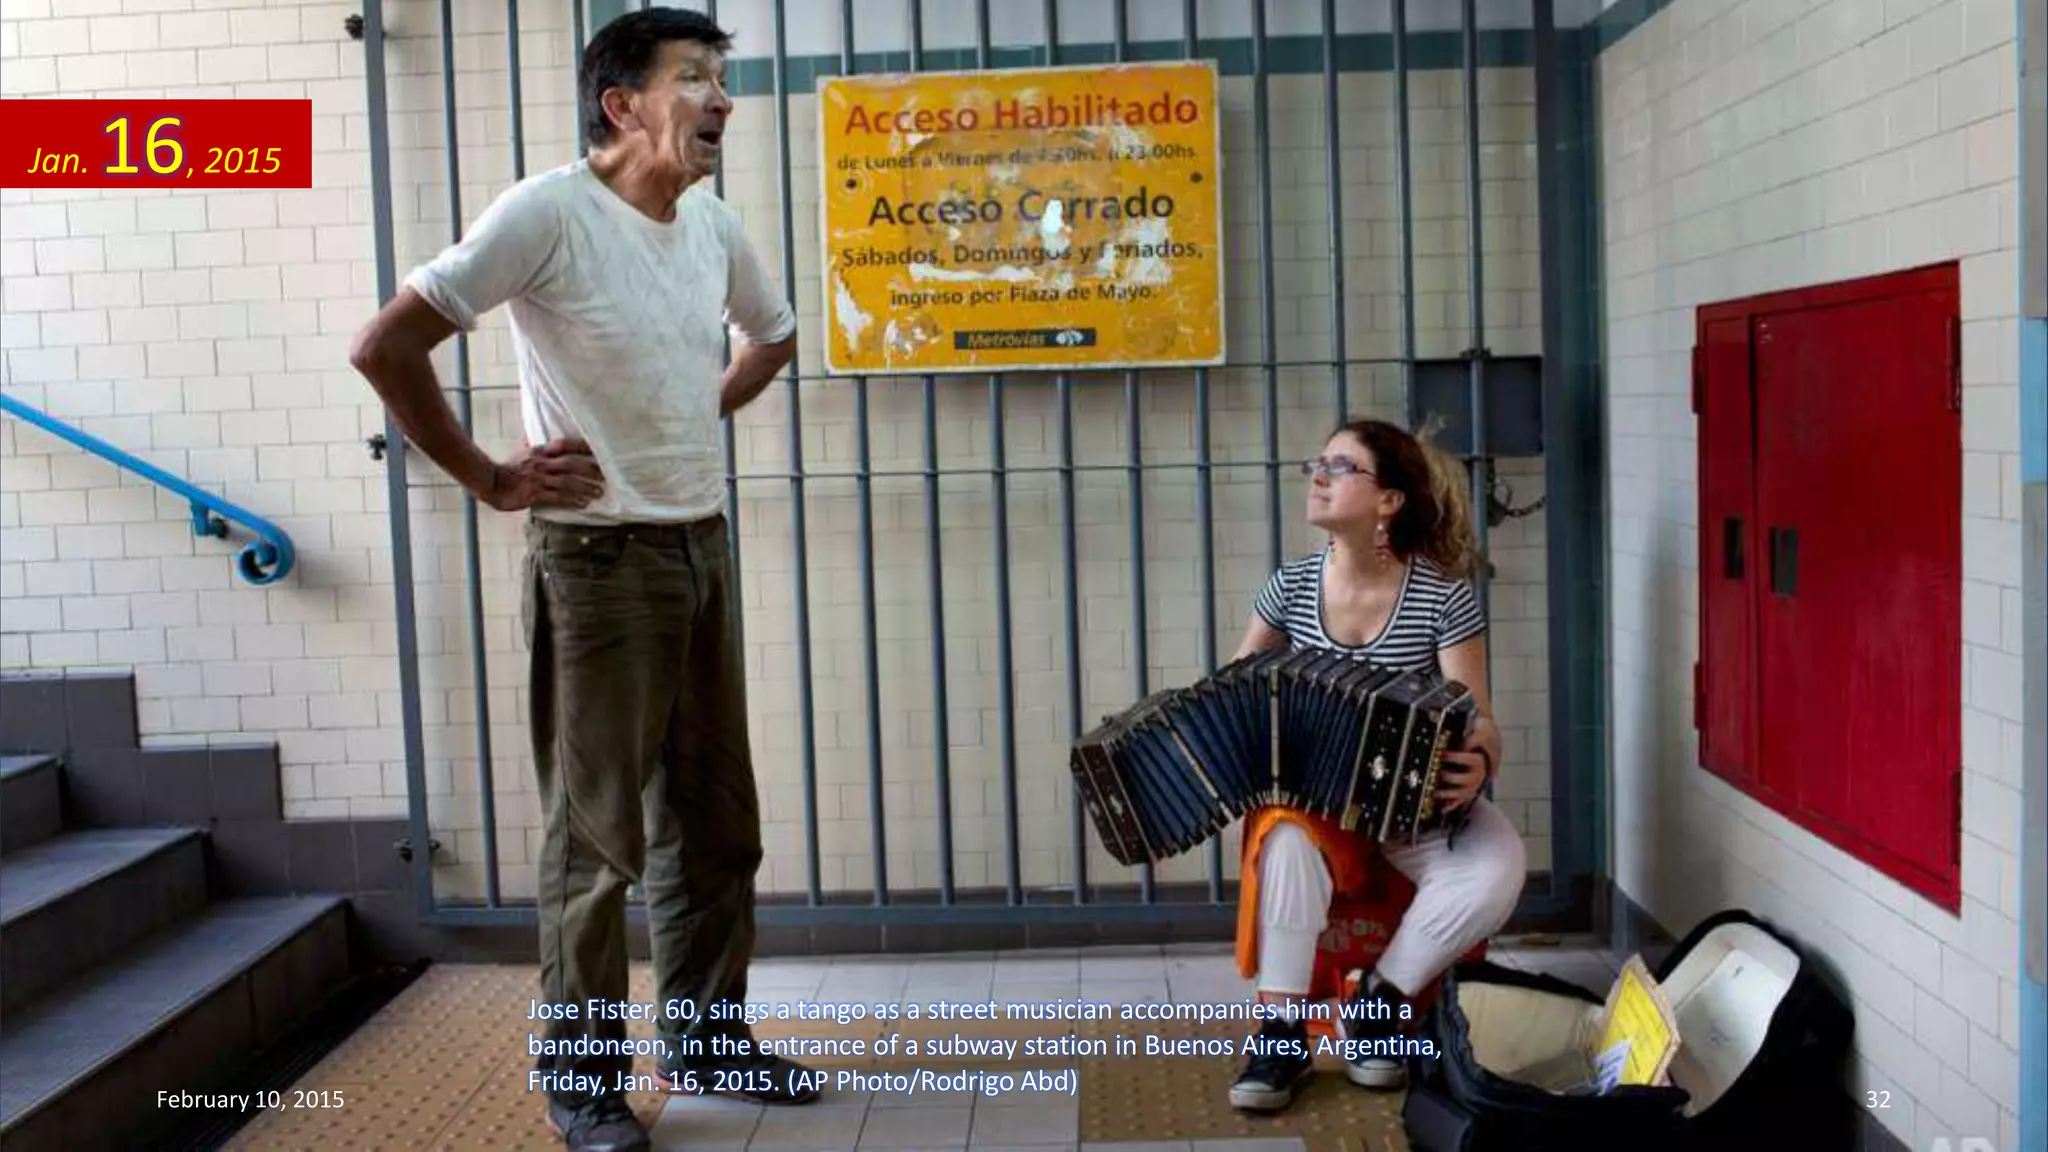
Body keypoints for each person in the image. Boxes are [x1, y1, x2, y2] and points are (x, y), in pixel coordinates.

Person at [347, 10, 812, 1151]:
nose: (720, 99)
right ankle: (584, 1082)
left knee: (713, 825)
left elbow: (773, 336)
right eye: (693, 77)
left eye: (720, 77)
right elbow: (386, 346)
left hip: (700, 547)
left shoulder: (707, 224)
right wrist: (492, 478)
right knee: (593, 843)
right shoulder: (547, 212)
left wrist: (685, 414)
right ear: (622, 104)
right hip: (594, 560)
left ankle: (706, 1038)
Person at [1225, 418, 1526, 1113]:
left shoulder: (1442, 596)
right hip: (1321, 808)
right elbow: (1236, 686)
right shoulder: (1290, 587)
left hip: (1412, 808)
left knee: (1498, 863)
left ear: (1388, 500)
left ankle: (1378, 1003)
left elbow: (1479, 717)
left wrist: (1479, 759)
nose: (1320, 476)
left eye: (1341, 466)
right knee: (1285, 838)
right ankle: (1282, 1032)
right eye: (1318, 463)